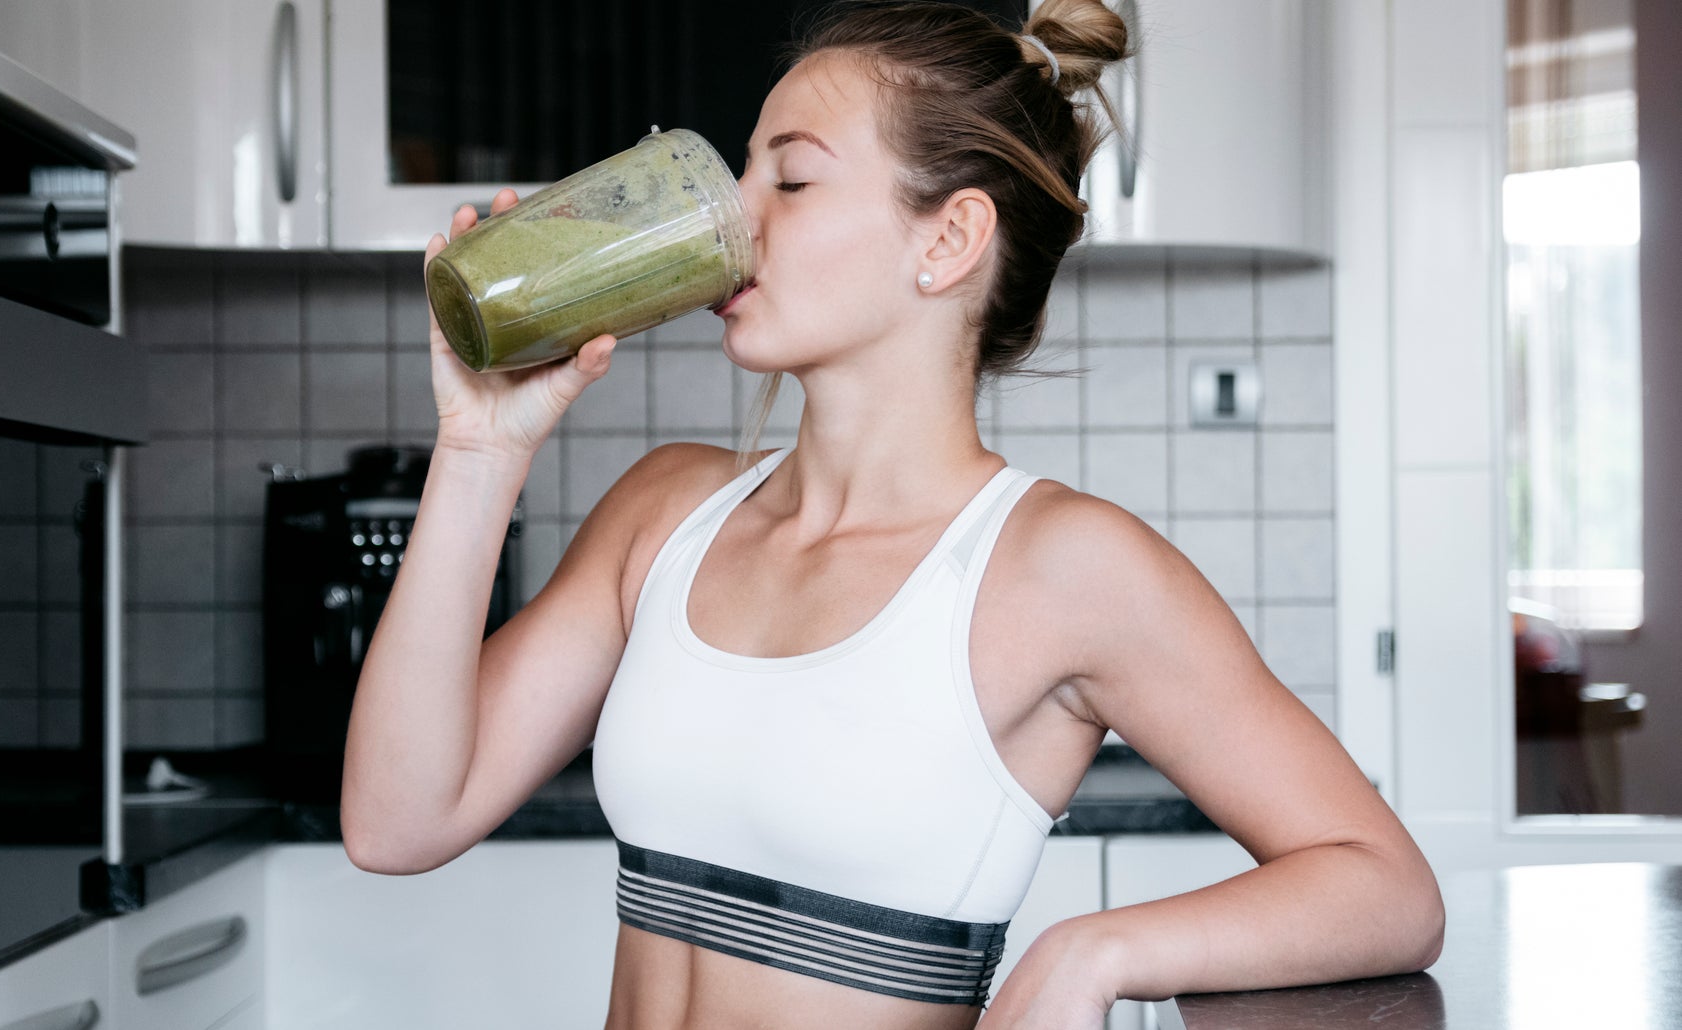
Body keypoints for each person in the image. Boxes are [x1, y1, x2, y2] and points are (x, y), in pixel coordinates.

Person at [340, 1, 1446, 1027]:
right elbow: (398, 823)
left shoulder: (1062, 569)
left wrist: (1096, 949)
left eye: (791, 180)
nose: (733, 216)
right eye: (741, 172)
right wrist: (481, 448)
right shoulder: (665, 513)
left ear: (948, 240)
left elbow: (1384, 885)